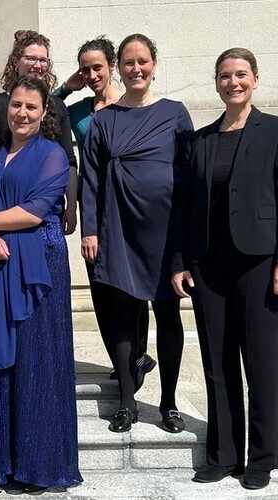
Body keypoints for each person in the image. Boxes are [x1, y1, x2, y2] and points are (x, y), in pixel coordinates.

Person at [171, 47, 278, 490]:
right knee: (218, 363)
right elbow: (185, 207)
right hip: (208, 265)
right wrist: (179, 262)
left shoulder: (277, 130)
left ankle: (261, 459)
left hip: (260, 264)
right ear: (216, 84)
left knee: (261, 364)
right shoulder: (201, 140)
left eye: (241, 74)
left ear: (255, 80)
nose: (233, 82)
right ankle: (224, 455)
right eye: (225, 76)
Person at [0, 75, 83, 492]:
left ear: (44, 113)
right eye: (16, 105)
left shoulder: (52, 155)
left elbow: (35, 210)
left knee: (35, 362)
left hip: (36, 264)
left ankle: (38, 465)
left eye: (30, 107)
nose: (22, 113)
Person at [82, 33, 194, 434]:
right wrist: (90, 230)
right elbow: (90, 179)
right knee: (124, 316)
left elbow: (190, 175)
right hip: (118, 227)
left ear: (154, 65)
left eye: (142, 61)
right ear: (119, 68)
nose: (136, 69)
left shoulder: (175, 113)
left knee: (168, 314)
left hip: (165, 231)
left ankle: (169, 403)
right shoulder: (103, 119)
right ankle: (127, 402)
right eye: (128, 62)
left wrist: (189, 236)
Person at [56, 36, 156, 384]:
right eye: (85, 70)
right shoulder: (79, 112)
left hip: (129, 202)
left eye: (97, 67)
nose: (92, 75)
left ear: (112, 66)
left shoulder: (131, 104)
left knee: (132, 282)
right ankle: (121, 358)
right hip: (94, 203)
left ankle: (138, 354)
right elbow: (45, 110)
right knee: (101, 285)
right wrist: (65, 88)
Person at [0, 29, 79, 236]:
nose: (38, 65)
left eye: (43, 60)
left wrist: (71, 207)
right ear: (16, 62)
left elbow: (69, 160)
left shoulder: (58, 106)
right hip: (3, 209)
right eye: (31, 58)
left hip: (48, 213)